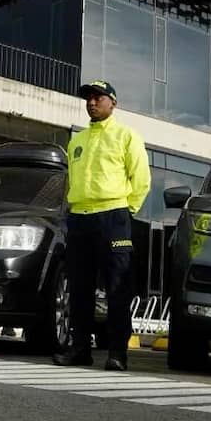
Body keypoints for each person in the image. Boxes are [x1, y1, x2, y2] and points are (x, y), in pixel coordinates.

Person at [53, 80, 150, 371]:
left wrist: (125, 210)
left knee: (117, 287)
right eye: (88, 99)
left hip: (113, 218)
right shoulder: (77, 141)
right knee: (79, 288)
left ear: (113, 103)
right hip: (80, 218)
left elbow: (141, 179)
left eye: (98, 98)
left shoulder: (126, 136)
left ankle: (117, 353)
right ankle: (79, 349)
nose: (91, 103)